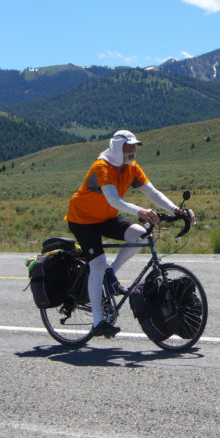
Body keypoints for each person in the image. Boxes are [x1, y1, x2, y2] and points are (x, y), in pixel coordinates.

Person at [65, 129, 191, 337]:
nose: (132, 151)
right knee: (96, 264)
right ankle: (98, 321)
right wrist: (140, 211)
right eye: (128, 147)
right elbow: (113, 199)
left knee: (139, 234)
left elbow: (152, 192)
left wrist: (176, 210)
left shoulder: (131, 167)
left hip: (106, 217)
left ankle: (111, 271)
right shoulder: (102, 166)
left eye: (134, 147)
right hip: (83, 219)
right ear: (117, 148)